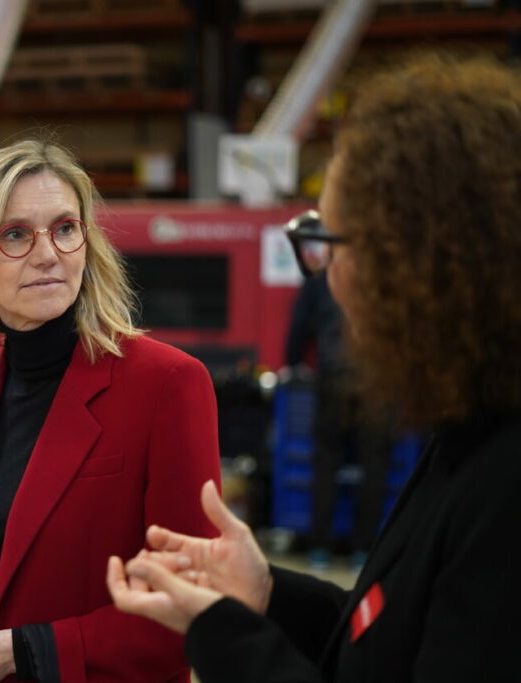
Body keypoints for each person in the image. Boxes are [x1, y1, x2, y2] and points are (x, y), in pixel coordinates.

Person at [107, 55, 521, 682]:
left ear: (420, 264)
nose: (326, 276)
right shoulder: (468, 429)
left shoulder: (504, 487)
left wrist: (223, 636)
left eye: (329, 242)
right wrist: (266, 593)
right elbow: (384, 639)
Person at [0, 140, 221, 683]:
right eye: (15, 234)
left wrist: (18, 652)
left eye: (65, 229)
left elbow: (190, 607)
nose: (48, 254)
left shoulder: (167, 383)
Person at [284, 270, 393, 570]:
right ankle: (365, 551)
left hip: (332, 376)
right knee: (374, 464)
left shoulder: (323, 277)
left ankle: (320, 548)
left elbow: (299, 326)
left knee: (326, 461)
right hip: (376, 379)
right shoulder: (386, 274)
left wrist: (293, 364)